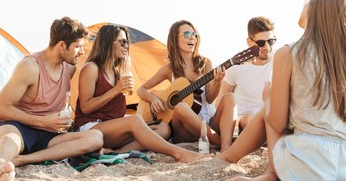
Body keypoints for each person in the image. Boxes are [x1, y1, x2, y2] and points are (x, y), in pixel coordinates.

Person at [223, 0, 346, 181]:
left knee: (271, 106)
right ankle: (229, 156)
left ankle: (270, 173)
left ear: (314, 12)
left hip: (309, 168)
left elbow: (277, 122)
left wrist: (268, 98)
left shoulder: (289, 52)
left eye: (310, 0)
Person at [0, 17, 104, 181]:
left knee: (96, 138)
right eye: (78, 47)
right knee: (8, 141)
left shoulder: (70, 68)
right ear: (62, 46)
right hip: (19, 127)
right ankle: (0, 174)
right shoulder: (30, 66)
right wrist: (43, 121)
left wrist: (57, 122)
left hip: (49, 135)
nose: (82, 52)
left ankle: (22, 160)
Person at [73, 24, 211, 162]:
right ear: (108, 42)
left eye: (127, 42)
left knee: (164, 129)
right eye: (122, 41)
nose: (126, 45)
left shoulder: (117, 73)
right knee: (135, 120)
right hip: (90, 128)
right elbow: (85, 107)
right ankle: (179, 153)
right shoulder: (91, 68)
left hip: (111, 128)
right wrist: (116, 90)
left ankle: (117, 151)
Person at [137, 20, 235, 152]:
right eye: (187, 34)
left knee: (230, 98)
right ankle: (220, 141)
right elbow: (141, 90)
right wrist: (153, 99)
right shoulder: (169, 68)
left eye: (194, 34)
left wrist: (218, 82)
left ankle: (225, 147)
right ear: (174, 39)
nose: (192, 37)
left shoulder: (205, 63)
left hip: (208, 122)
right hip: (184, 129)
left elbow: (210, 99)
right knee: (181, 106)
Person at [215, 16, 276, 133]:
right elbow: (220, 103)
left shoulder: (280, 61)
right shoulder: (236, 67)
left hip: (271, 117)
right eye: (261, 43)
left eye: (271, 41)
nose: (267, 47)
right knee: (254, 117)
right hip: (244, 120)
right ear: (249, 42)